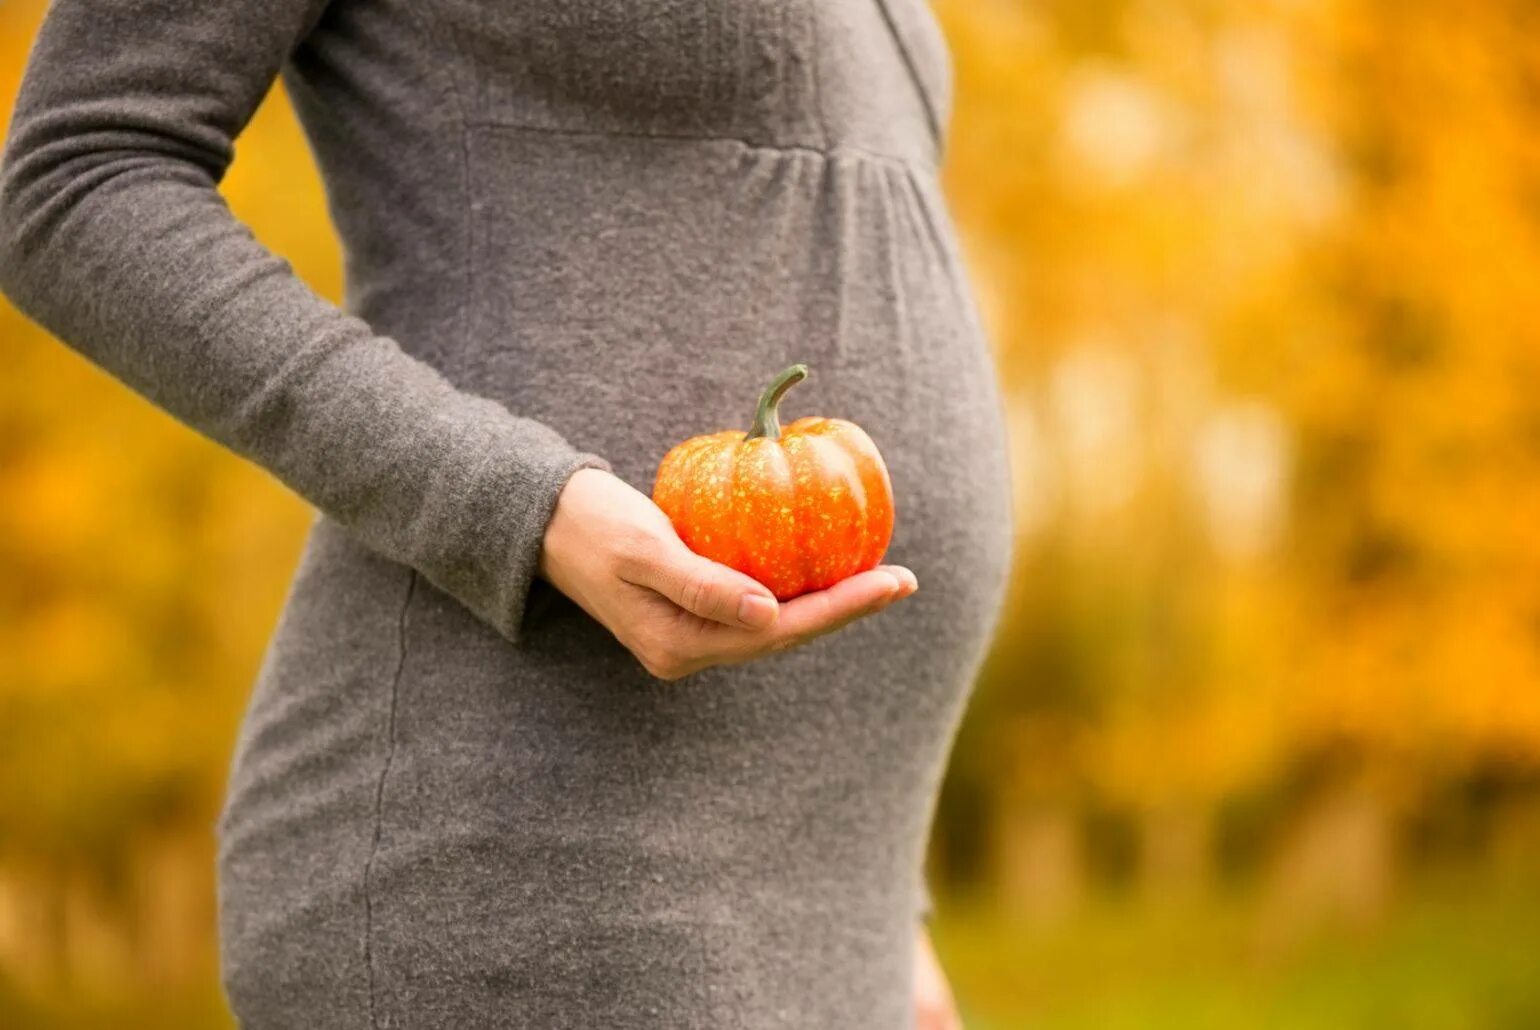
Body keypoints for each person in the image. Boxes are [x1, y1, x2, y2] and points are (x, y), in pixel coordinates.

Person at [0, 0, 1011, 1026]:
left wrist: (887, 917)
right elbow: (80, 175)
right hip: (541, 867)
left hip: (837, 905)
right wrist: (524, 503)